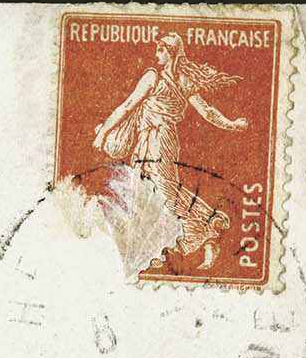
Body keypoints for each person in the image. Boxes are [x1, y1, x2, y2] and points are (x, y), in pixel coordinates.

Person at [90, 32, 250, 271]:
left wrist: (231, 124)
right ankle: (197, 239)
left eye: (161, 50)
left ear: (171, 52)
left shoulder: (175, 80)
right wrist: (104, 132)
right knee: (146, 194)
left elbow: (206, 111)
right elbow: (128, 105)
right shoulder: (156, 77)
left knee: (164, 192)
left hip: (161, 140)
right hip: (146, 140)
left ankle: (205, 229)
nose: (156, 54)